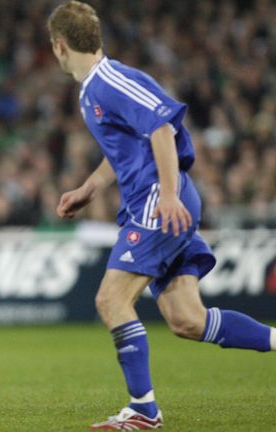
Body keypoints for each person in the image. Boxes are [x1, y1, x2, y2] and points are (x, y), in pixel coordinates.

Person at [48, 2, 276, 430]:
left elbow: (161, 127)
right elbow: (125, 150)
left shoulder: (112, 80)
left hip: (158, 200)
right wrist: (89, 188)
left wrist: (168, 194)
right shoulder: (91, 91)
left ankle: (143, 410)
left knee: (110, 300)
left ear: (59, 45)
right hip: (152, 200)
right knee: (188, 319)